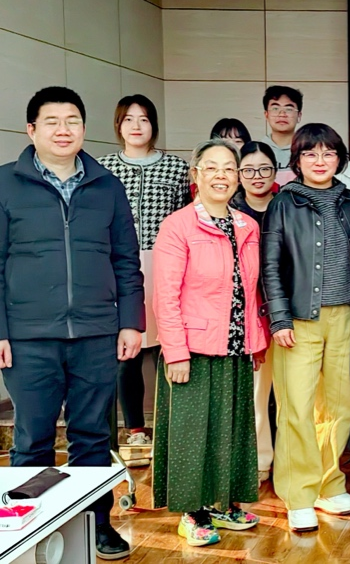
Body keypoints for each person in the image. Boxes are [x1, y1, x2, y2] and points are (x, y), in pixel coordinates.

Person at [0, 86, 144, 560]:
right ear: (31, 130)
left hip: (96, 333)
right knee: (32, 439)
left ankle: (96, 524)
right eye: (52, 121)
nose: (63, 130)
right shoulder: (5, 184)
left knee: (93, 436)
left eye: (73, 121)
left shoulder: (107, 186)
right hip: (28, 337)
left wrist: (131, 322)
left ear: (84, 128)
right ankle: (30, 534)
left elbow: (126, 260)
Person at [152, 139, 267, 547]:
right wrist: (176, 352)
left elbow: (250, 290)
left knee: (232, 428)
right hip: (193, 349)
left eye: (229, 168)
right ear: (196, 176)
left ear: (238, 177)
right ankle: (192, 513)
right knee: (191, 433)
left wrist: (256, 341)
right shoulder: (178, 226)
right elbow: (165, 295)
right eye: (212, 167)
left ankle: (223, 503)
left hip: (236, 346)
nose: (221, 175)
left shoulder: (247, 225)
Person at [262, 123, 350, 533]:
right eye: (310, 153)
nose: (320, 161)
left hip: (345, 317)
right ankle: (299, 494)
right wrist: (279, 317)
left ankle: (328, 483)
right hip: (298, 320)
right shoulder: (283, 204)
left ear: (339, 158)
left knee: (338, 407)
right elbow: (270, 266)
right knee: (297, 408)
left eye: (328, 153)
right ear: (297, 160)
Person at [98, 95, 192, 467]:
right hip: (117, 265)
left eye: (144, 119)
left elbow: (186, 218)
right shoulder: (102, 168)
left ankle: (173, 428)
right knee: (128, 349)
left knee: (169, 346)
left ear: (154, 124)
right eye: (128, 119)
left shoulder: (176, 168)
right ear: (118, 125)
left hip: (166, 262)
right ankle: (135, 429)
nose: (136, 126)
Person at [229, 141, 279, 485]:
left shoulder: (288, 206)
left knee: (290, 395)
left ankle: (291, 463)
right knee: (255, 393)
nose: (256, 176)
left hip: (286, 311)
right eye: (248, 169)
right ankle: (260, 461)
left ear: (275, 172)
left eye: (264, 168)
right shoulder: (228, 212)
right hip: (245, 314)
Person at [262, 85, 303, 185]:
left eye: (289, 109)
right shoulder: (258, 150)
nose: (282, 114)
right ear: (266, 115)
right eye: (275, 108)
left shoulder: (307, 150)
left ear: (299, 115)